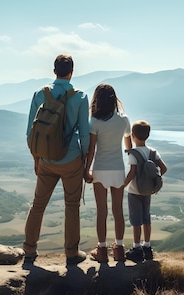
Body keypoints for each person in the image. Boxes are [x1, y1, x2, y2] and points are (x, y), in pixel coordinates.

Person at [22, 54, 90, 266]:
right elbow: (85, 134)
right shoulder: (79, 97)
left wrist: (37, 160)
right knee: (72, 206)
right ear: (72, 72)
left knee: (38, 205)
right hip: (71, 160)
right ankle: (71, 254)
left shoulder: (39, 94)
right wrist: (85, 162)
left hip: (46, 159)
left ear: (54, 71)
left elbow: (30, 133)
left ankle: (30, 250)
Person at [84, 84, 132, 263]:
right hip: (118, 169)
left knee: (101, 211)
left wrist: (86, 170)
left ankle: (102, 249)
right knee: (118, 210)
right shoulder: (123, 120)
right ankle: (119, 249)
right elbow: (128, 145)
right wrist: (131, 160)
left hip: (100, 169)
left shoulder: (94, 122)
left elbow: (92, 149)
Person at [123, 120, 167, 263]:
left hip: (134, 192)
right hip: (148, 191)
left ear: (133, 136)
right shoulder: (153, 152)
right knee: (146, 218)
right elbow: (164, 168)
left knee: (136, 220)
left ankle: (137, 249)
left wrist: (122, 185)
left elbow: (132, 173)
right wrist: (153, 180)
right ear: (147, 135)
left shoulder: (133, 154)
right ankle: (147, 247)